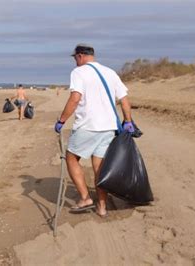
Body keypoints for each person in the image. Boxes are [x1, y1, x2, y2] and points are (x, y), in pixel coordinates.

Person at [54, 44, 135, 217]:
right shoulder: (110, 72)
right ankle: (102, 207)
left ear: (81, 56)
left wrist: (61, 120)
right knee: (99, 166)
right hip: (109, 128)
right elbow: (124, 99)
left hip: (88, 126)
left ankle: (85, 198)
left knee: (71, 158)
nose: (75, 61)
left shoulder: (79, 72)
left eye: (75, 58)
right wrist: (128, 121)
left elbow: (75, 98)